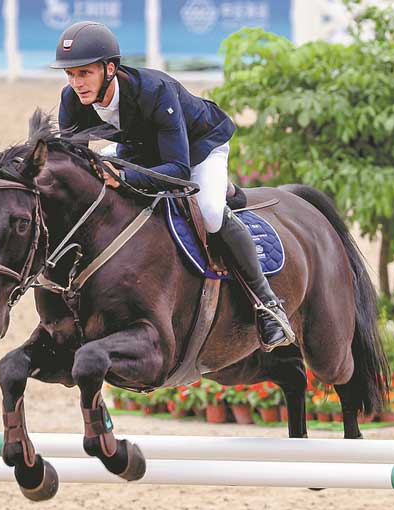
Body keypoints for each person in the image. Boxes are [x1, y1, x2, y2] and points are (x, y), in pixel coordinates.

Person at [51, 21, 294, 351]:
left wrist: (123, 177)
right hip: (140, 150)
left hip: (197, 149)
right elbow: (73, 163)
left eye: (84, 73)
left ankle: (267, 304)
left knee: (210, 213)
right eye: (70, 74)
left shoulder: (154, 91)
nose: (76, 83)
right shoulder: (71, 100)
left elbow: (178, 170)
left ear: (109, 69)